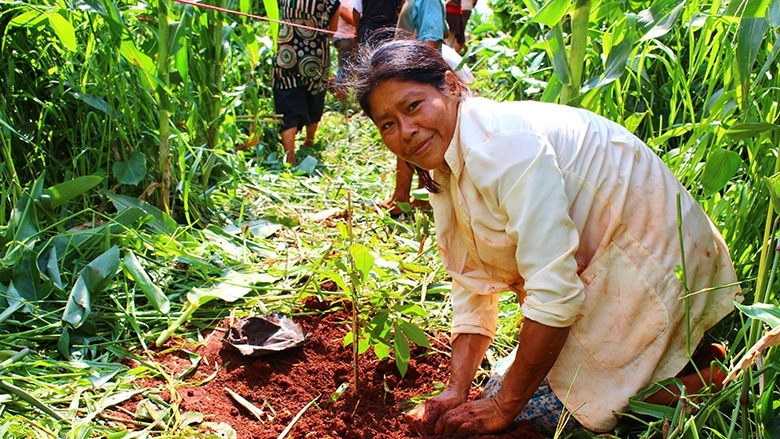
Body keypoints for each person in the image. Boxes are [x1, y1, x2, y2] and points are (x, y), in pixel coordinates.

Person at [352, 39, 741, 436]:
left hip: (656, 261)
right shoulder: (448, 163)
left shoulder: (501, 149)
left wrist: (505, 407)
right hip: (604, 267)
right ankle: (680, 358)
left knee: (538, 416)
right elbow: (471, 279)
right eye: (387, 124)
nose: (406, 131)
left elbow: (555, 294)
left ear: (451, 86)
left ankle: (701, 381)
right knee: (498, 391)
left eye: (413, 106)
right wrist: (457, 388)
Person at [273, 0, 340, 165]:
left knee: (287, 98)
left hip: (287, 51)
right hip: (316, 55)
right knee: (315, 96)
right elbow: (333, 29)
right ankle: (309, 140)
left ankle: (289, 156)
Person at [331, 0, 357, 100]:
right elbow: (351, 19)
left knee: (348, 68)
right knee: (345, 68)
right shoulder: (343, 3)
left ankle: (341, 94)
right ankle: (341, 98)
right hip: (344, 38)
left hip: (343, 38)